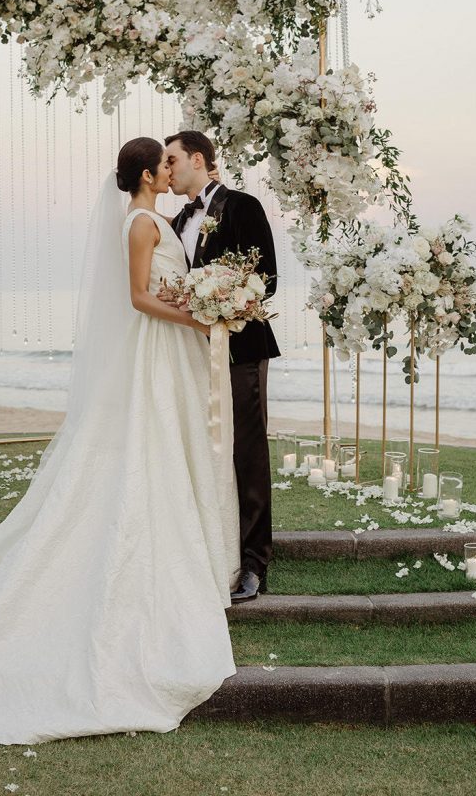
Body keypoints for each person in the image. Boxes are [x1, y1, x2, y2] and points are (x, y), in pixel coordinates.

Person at [0, 137, 238, 745]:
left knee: (173, 446)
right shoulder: (140, 223)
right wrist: (197, 315)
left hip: (174, 354)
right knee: (151, 447)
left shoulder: (159, 218)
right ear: (147, 173)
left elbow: (162, 287)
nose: (172, 169)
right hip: (158, 352)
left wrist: (197, 297)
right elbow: (138, 299)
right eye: (165, 164)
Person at [165, 130, 280, 603]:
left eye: (172, 161)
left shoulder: (242, 206)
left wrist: (223, 300)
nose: (166, 169)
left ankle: (254, 563)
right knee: (204, 453)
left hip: (239, 349)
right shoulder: (175, 222)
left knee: (246, 453)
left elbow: (266, 278)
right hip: (191, 352)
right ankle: (213, 550)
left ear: (198, 159)